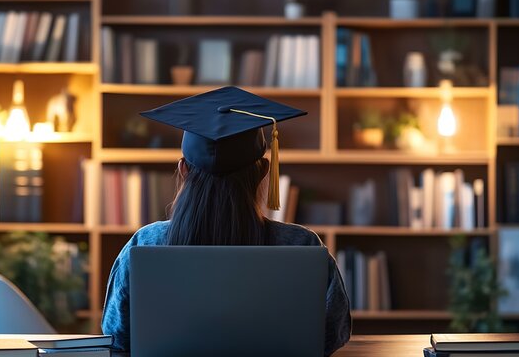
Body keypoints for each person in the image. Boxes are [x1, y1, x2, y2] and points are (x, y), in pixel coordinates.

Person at [102, 86, 351, 356]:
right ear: (263, 172)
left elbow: (116, 337)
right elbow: (333, 333)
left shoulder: (145, 244)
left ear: (183, 170)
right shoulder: (302, 246)